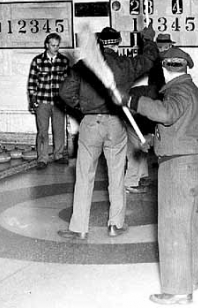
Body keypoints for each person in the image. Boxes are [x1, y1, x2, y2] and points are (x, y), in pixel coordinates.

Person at [57, 26, 158, 240]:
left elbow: (64, 92)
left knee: (84, 176)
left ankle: (79, 228)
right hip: (115, 124)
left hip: (90, 124)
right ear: (119, 41)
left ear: (100, 42)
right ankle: (115, 224)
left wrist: (83, 107)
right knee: (116, 175)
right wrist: (147, 39)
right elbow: (149, 58)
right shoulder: (126, 65)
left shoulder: (84, 66)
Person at [127, 46, 198, 305]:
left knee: (173, 230)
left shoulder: (179, 90)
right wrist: (156, 138)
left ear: (164, 69)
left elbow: (166, 113)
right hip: (192, 164)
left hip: (178, 170)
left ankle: (175, 291)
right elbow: (184, 125)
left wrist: (134, 101)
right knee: (187, 230)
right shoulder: (192, 91)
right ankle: (187, 285)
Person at [124, 33, 176, 194]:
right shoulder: (160, 66)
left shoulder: (165, 66)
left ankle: (143, 175)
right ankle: (131, 182)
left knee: (143, 141)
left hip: (145, 107)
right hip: (136, 110)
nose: (168, 48)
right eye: (166, 46)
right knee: (136, 143)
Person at [27, 33, 70, 170]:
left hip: (59, 102)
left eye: (57, 45)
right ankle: (42, 158)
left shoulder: (64, 61)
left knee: (59, 130)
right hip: (42, 102)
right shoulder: (37, 61)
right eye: (53, 45)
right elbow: (32, 82)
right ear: (47, 45)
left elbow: (68, 82)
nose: (55, 48)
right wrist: (32, 99)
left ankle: (58, 155)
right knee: (42, 131)